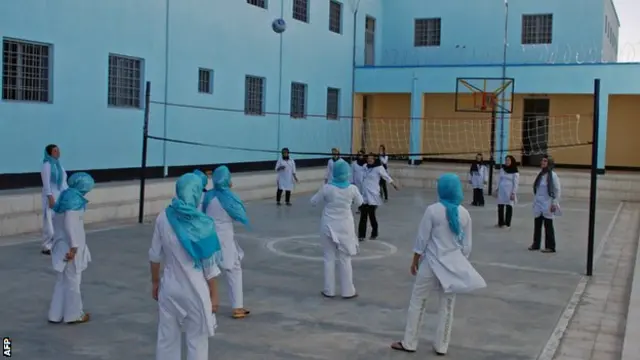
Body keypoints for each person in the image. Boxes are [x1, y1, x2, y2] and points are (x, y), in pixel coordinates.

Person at [390, 173, 486, 355]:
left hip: (431, 263)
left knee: (418, 301)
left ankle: (409, 342)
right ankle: (442, 345)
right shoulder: (465, 214)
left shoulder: (433, 210)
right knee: (447, 306)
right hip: (452, 266)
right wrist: (458, 261)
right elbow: (467, 247)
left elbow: (422, 239)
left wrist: (415, 261)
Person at [149, 173, 223, 360]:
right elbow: (209, 265)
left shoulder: (163, 217)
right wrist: (214, 295)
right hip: (195, 290)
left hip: (169, 287)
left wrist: (155, 282)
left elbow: (155, 256)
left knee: (167, 340)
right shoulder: (202, 223)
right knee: (196, 341)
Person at [202, 165, 251, 319]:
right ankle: (237, 307)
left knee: (208, 271)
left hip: (209, 236)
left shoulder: (207, 197)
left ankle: (207, 303)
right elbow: (239, 215)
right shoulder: (229, 198)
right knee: (234, 268)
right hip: (225, 238)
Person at [310, 159, 364, 299]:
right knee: (345, 258)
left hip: (328, 225)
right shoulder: (352, 189)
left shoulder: (327, 188)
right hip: (345, 226)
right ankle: (348, 291)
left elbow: (313, 201)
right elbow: (360, 202)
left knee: (329, 258)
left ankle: (329, 290)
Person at [47, 172, 95, 324]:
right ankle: (74, 314)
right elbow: (69, 223)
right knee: (73, 281)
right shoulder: (74, 201)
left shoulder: (65, 197)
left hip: (60, 245)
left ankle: (55, 314)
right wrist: (74, 247)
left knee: (62, 281)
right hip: (70, 248)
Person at [358, 153, 398, 241]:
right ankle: (361, 235)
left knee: (372, 216)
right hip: (364, 195)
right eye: (368, 158)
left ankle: (374, 232)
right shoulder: (365, 167)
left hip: (373, 196)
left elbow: (386, 177)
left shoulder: (379, 168)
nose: (369, 160)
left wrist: (394, 184)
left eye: (371, 158)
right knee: (363, 216)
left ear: (375, 159)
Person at [528, 155, 561, 253]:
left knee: (548, 225)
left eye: (545, 161)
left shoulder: (553, 176)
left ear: (549, 163)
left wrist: (554, 203)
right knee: (537, 224)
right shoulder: (540, 175)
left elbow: (557, 190)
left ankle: (550, 246)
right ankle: (536, 244)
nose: (542, 163)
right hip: (539, 203)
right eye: (542, 161)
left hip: (548, 203)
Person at [41, 144, 68, 255]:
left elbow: (63, 182)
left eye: (58, 150)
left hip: (59, 195)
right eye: (55, 151)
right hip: (50, 196)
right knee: (49, 220)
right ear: (49, 153)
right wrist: (50, 196)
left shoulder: (59, 166)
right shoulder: (46, 165)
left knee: (58, 220)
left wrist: (66, 194)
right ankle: (46, 245)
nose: (58, 152)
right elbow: (46, 182)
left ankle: (56, 244)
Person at [495, 155, 520, 229]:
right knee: (500, 206)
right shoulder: (502, 169)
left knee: (509, 207)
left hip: (509, 191)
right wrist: (496, 188)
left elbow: (516, 183)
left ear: (512, 161)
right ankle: (500, 222)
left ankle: (507, 223)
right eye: (506, 160)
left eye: (508, 160)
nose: (507, 162)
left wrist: (513, 193)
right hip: (501, 191)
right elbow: (498, 179)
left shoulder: (515, 172)